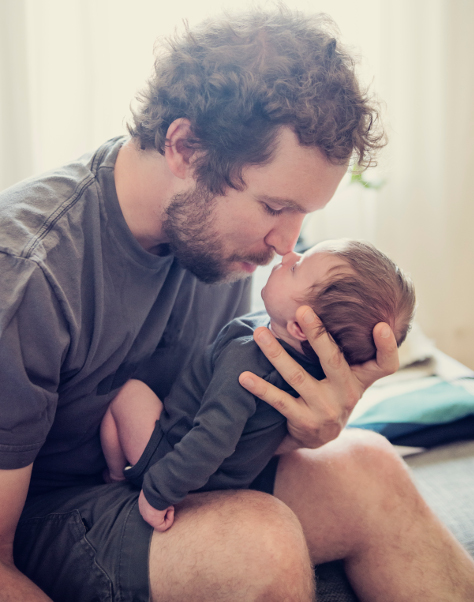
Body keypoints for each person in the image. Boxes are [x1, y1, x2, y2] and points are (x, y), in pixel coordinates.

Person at [1, 7, 473, 602]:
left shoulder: (221, 246)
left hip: (158, 469)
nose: (286, 245)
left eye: (303, 216)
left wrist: (299, 425)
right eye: (275, 208)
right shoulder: (28, 274)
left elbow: (212, 416)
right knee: (260, 542)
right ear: (185, 148)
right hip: (48, 516)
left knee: (373, 466)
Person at [101, 239, 416, 532]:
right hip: (228, 473)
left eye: (296, 267)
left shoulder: (247, 363)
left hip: (176, 460)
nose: (289, 253)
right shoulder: (313, 371)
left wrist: (158, 492)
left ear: (300, 327)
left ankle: (119, 478)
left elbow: (211, 439)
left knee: (127, 393)